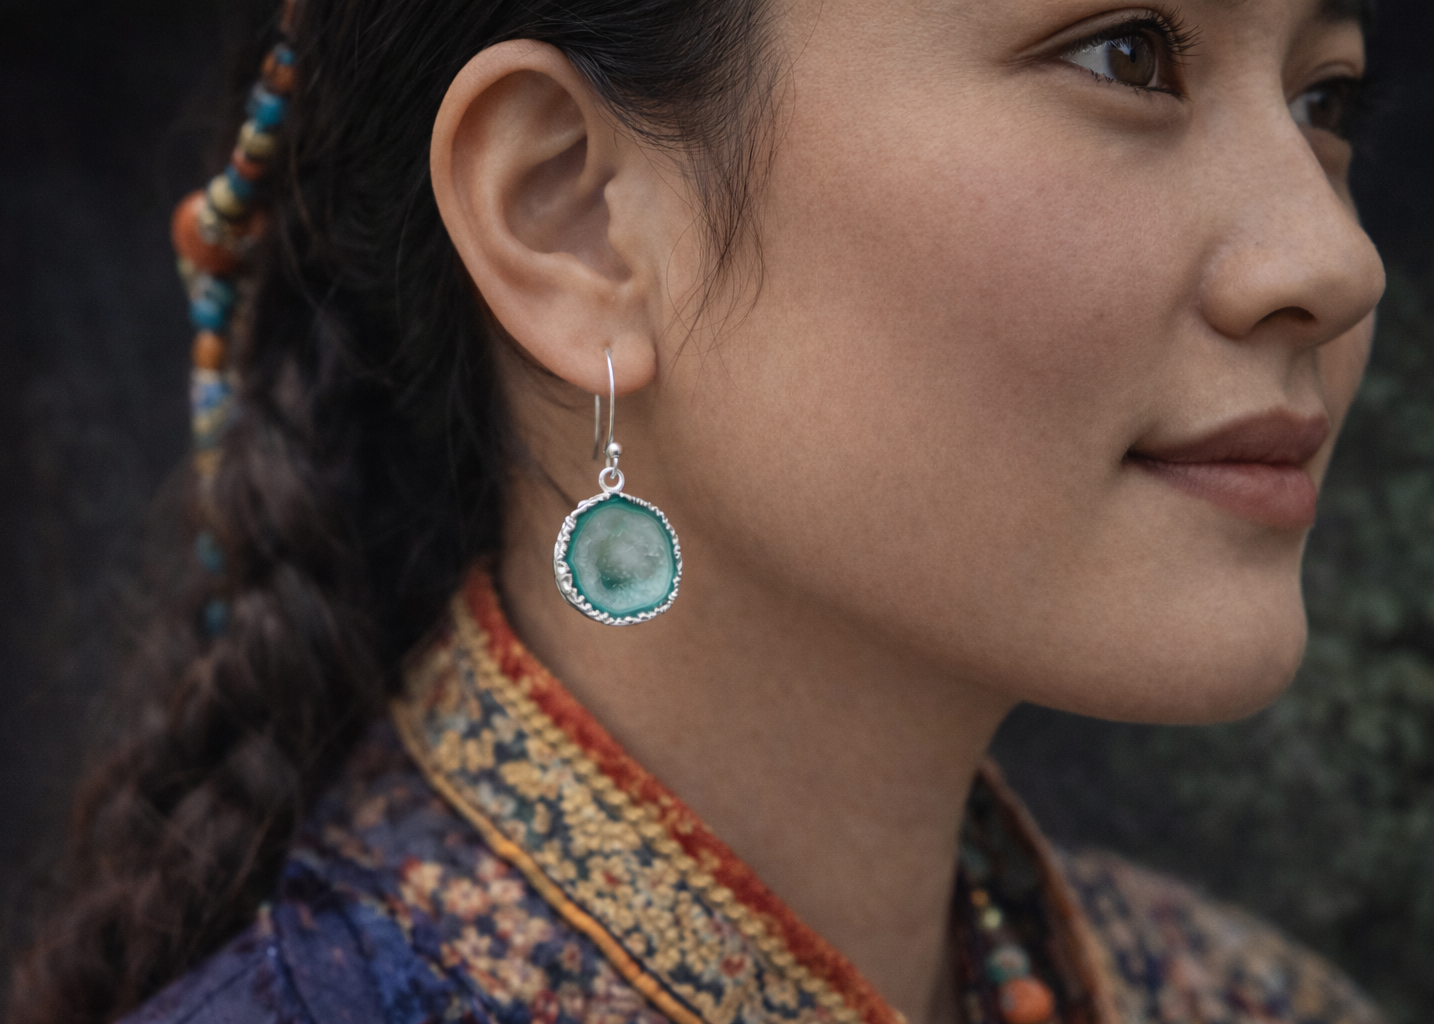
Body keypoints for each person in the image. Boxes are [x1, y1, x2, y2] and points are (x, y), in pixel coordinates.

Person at [8, 0, 1389, 1022]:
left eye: (1324, 100)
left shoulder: (1237, 998)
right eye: (1126, 55)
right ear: (576, 218)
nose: (1332, 259)